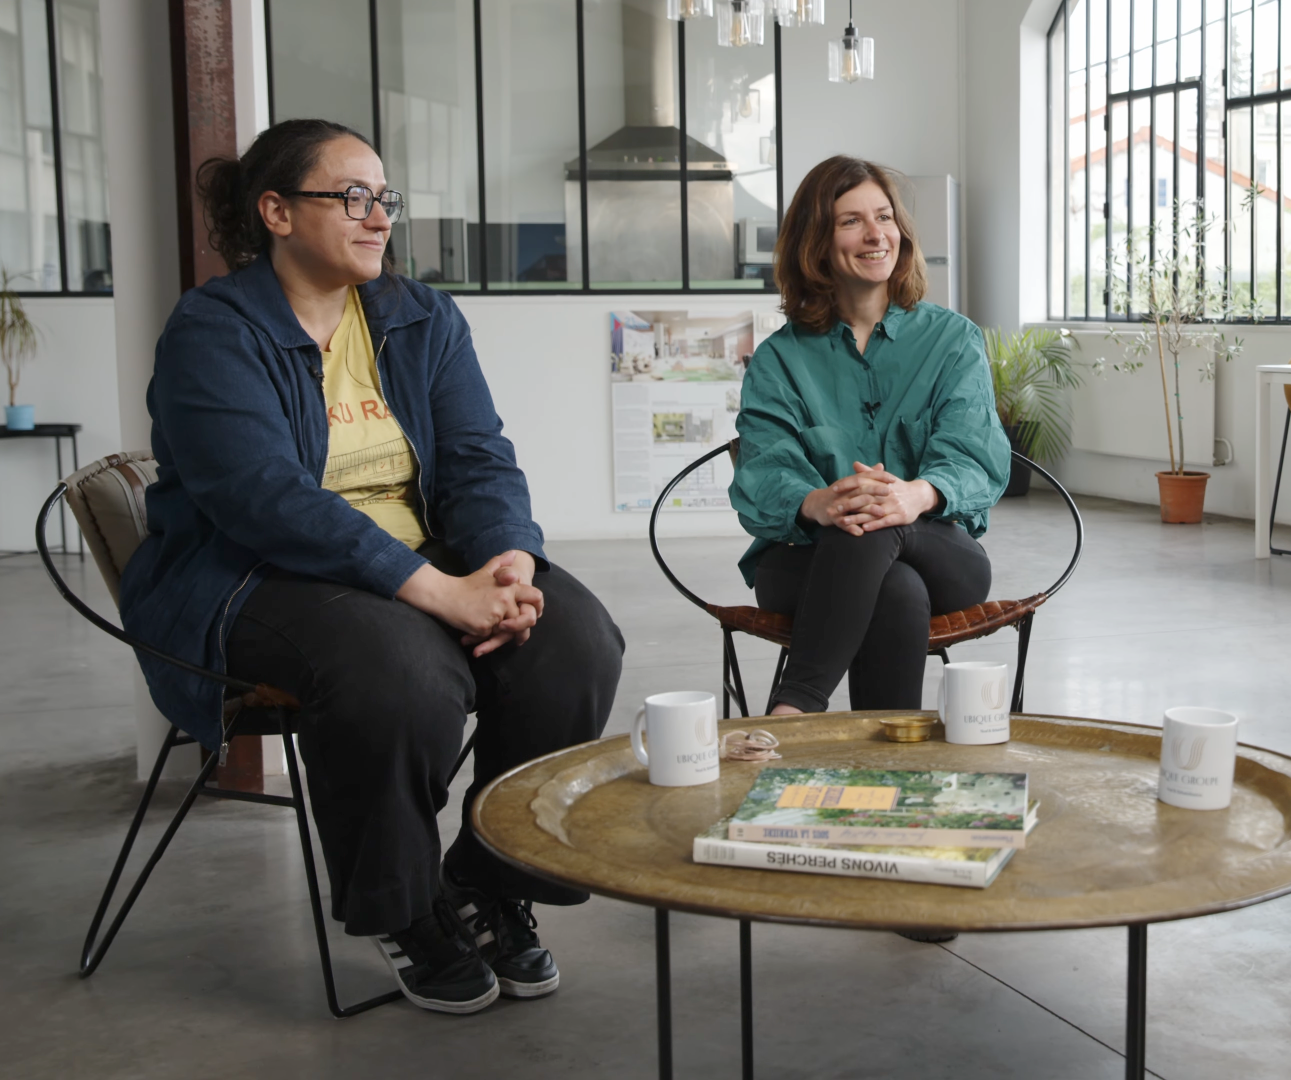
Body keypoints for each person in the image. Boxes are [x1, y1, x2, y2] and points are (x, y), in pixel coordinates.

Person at [117, 119, 626, 1015]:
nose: (378, 216)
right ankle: (406, 906)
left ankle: (491, 876)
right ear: (276, 212)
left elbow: (476, 456)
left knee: (575, 639)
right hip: (253, 574)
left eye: (383, 197)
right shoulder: (214, 330)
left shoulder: (419, 315)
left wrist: (507, 563)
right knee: (399, 668)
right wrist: (439, 593)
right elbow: (262, 498)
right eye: (351, 197)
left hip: (415, 555)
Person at [729, 156, 1010, 716]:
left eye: (884, 217)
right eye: (851, 221)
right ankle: (890, 758)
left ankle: (795, 708)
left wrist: (915, 496)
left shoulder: (953, 340)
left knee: (880, 527)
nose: (876, 234)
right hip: (806, 557)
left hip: (937, 550)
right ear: (816, 240)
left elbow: (974, 454)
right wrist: (819, 503)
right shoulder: (779, 359)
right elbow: (764, 469)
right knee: (894, 586)